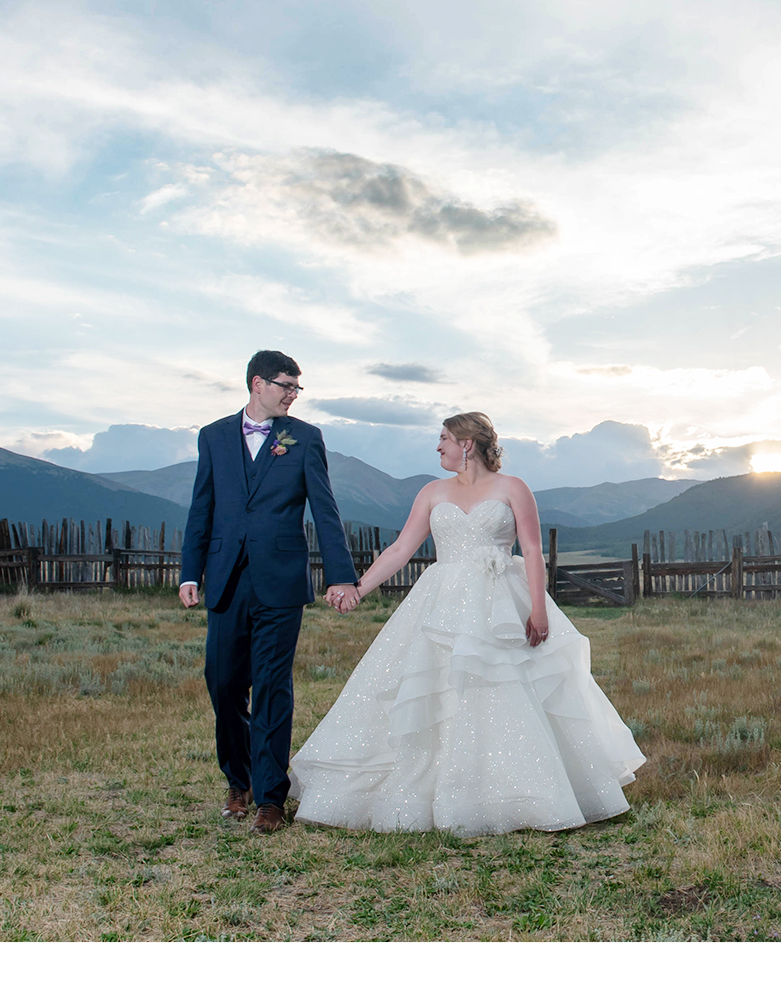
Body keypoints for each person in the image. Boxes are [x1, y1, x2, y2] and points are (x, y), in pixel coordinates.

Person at [289, 412, 645, 836]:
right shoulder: (432, 492)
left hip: (500, 604)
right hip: (441, 603)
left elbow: (532, 551)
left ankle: (521, 793)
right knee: (435, 690)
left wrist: (538, 609)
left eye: (443, 438)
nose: (437, 447)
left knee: (506, 692)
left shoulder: (513, 488)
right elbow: (401, 548)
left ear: (467, 443)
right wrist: (356, 588)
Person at [179, 350, 358, 835]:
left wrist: (341, 575)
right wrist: (189, 572)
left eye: (298, 389)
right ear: (258, 383)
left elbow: (325, 508)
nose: (292, 395)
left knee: (273, 686)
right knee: (223, 681)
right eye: (286, 385)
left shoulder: (304, 438)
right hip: (226, 579)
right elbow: (202, 507)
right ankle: (238, 781)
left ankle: (270, 797)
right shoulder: (214, 436)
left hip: (280, 581)